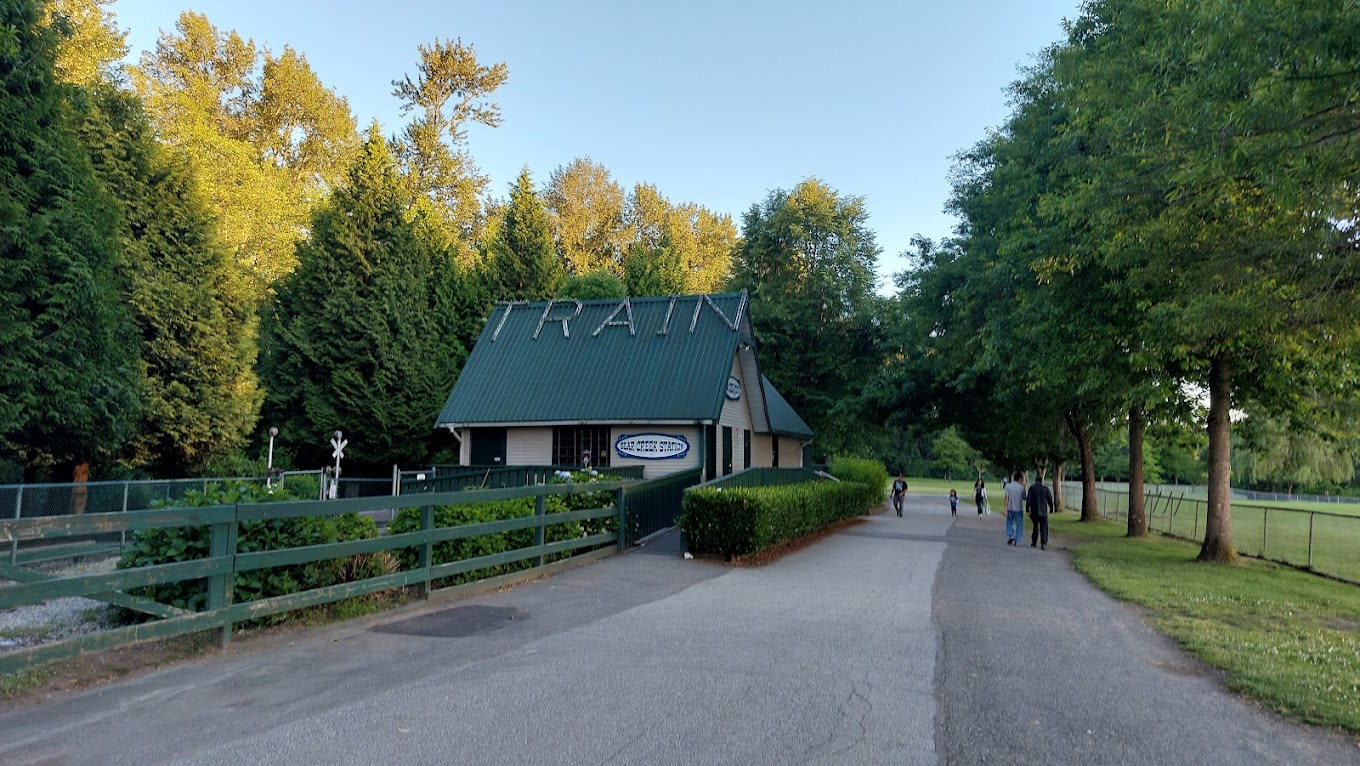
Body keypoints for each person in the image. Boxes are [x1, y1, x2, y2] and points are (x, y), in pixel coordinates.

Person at [1027, 474, 1054, 549]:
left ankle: (1034, 542)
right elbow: (1050, 500)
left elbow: (1028, 500)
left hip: (1034, 512)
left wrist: (1027, 509)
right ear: (1041, 482)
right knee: (1044, 528)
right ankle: (1043, 543)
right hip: (1043, 512)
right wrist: (1051, 509)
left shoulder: (1032, 488)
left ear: (1035, 481)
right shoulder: (1045, 489)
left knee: (1035, 527)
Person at [1003, 471, 1027, 545]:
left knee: (1009, 522)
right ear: (1020, 479)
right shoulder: (1021, 488)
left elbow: (1006, 498)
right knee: (1019, 525)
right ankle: (1017, 540)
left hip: (1010, 507)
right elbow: (1024, 498)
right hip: (1019, 508)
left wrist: (1005, 507)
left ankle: (1011, 535)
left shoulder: (1008, 486)